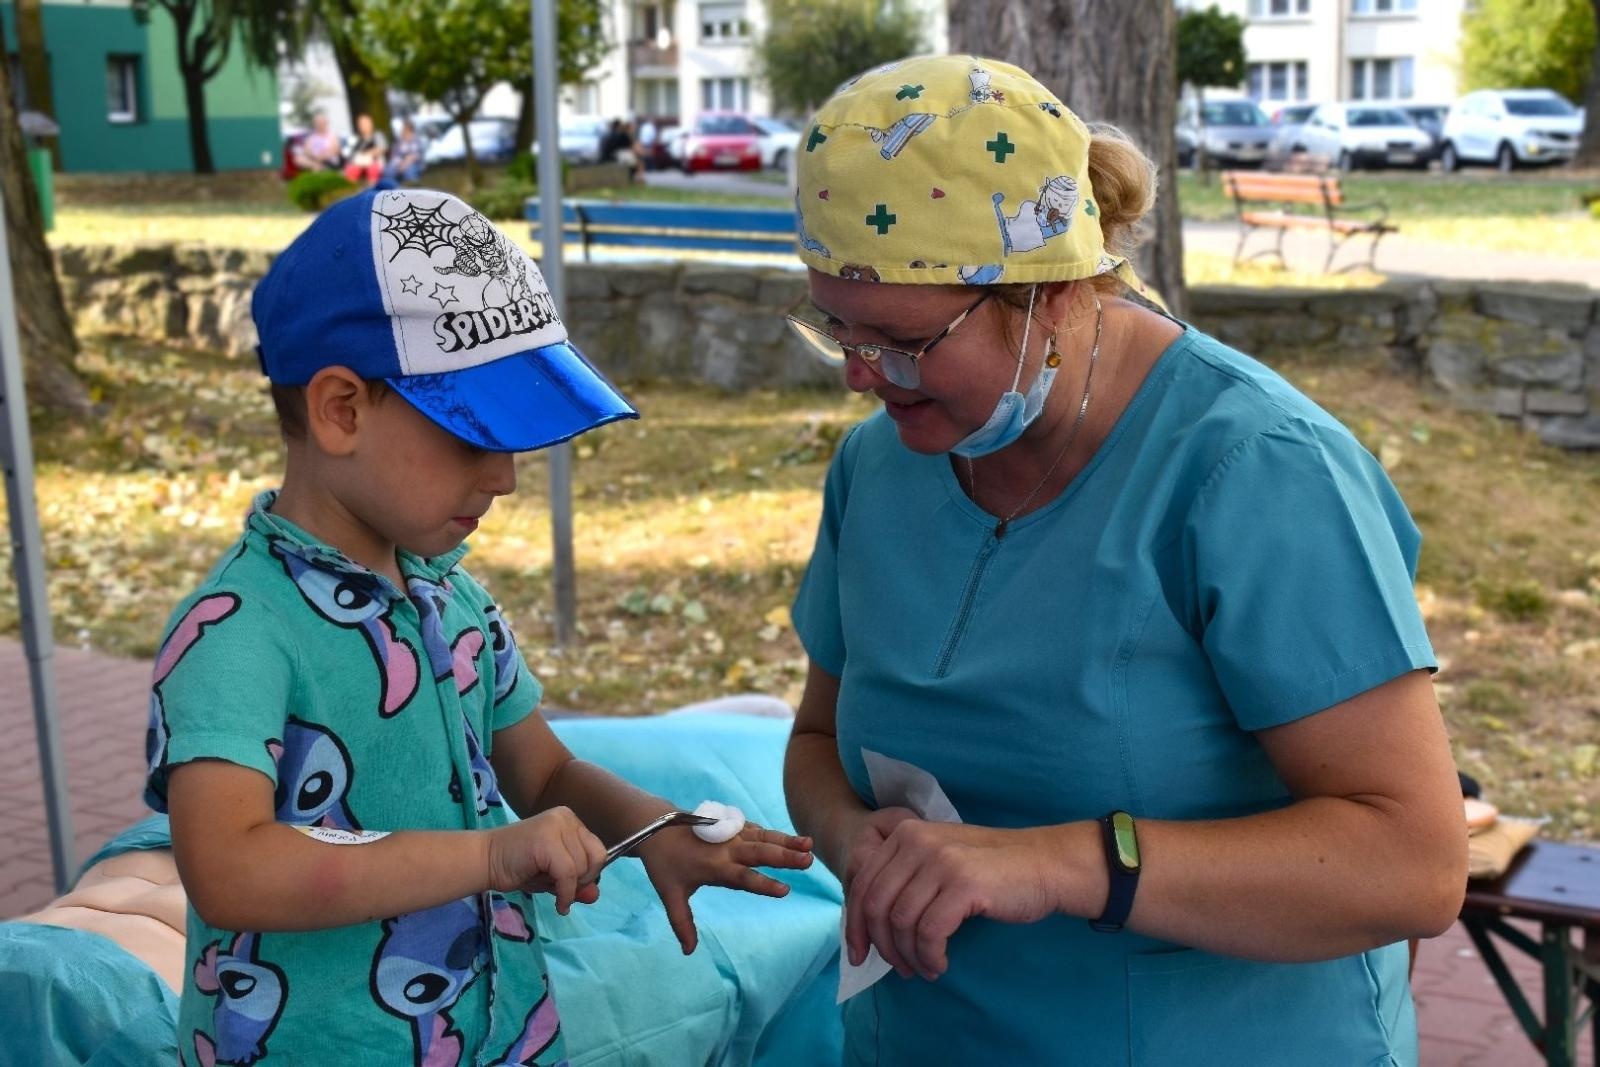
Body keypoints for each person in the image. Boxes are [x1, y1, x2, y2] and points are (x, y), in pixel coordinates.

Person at [781, 55, 1466, 1065]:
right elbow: (818, 738)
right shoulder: (882, 464)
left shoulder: (1252, 470)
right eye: (835, 325)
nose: (858, 372)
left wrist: (1062, 864)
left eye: (902, 338)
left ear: (1053, 294)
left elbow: (1410, 864)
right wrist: (861, 847)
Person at [145, 188, 813, 1065]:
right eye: (472, 435)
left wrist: (656, 831)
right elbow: (231, 868)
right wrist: (492, 856)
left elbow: (545, 771)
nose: (503, 476)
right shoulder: (237, 632)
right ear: (341, 409)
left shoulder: (449, 598)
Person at [343, 112, 388, 185]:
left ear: (371, 123)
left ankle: (372, 191)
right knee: (351, 169)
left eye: (365, 123)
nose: (363, 126)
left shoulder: (378, 135)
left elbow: (382, 148)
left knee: (373, 169)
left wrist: (367, 153)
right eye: (361, 124)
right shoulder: (355, 138)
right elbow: (350, 154)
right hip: (358, 163)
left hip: (374, 162)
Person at [387, 118, 425, 184]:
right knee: (389, 170)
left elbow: (414, 156)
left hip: (412, 164)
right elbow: (394, 154)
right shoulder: (399, 141)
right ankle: (391, 187)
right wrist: (397, 163)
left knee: (409, 171)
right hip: (398, 163)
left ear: (410, 130)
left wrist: (404, 164)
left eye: (404, 129)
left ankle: (411, 187)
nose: (402, 131)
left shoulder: (415, 140)